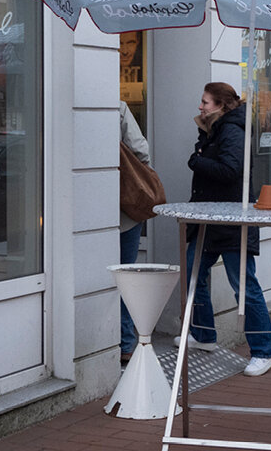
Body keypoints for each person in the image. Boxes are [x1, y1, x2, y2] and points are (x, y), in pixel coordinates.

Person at [175, 82, 271, 377]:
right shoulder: (215, 129)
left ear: (220, 105)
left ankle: (263, 352)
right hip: (210, 221)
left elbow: (231, 170)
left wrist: (197, 162)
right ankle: (203, 335)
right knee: (193, 274)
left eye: (205, 102)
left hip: (232, 222)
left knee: (244, 287)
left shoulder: (231, 130)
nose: (200, 106)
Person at [119, 101, 150, 364]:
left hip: (89, 216)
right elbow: (141, 151)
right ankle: (125, 343)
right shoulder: (118, 109)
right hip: (126, 211)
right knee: (125, 277)